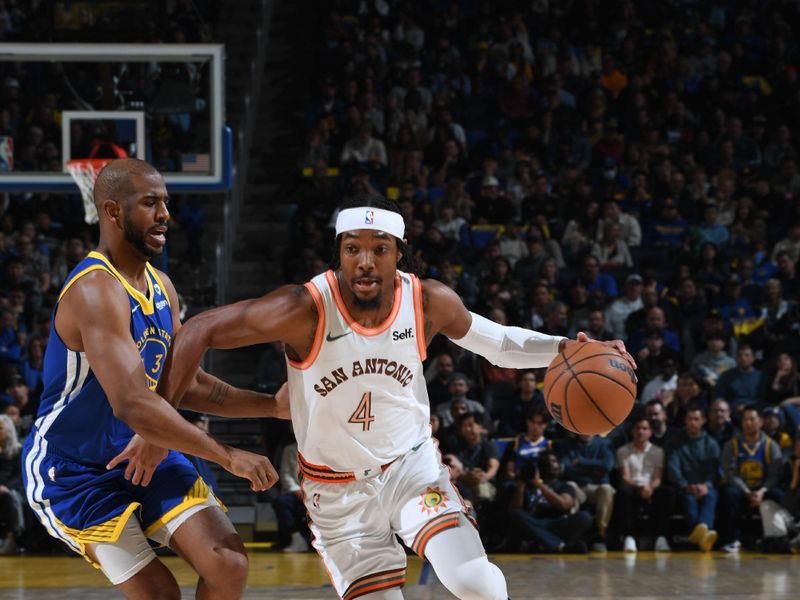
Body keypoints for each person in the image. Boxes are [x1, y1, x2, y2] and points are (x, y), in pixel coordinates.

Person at [161, 195, 635, 600]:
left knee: (474, 581)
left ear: (398, 254)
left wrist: (573, 347)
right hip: (335, 492)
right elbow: (198, 330)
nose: (365, 261)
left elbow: (500, 343)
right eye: (353, 250)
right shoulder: (301, 308)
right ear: (339, 255)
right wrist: (155, 425)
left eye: (379, 250)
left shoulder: (427, 301)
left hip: (410, 470)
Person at [20, 159, 286, 600]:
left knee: (228, 563)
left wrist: (272, 406)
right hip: (74, 468)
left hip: (144, 450)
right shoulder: (95, 290)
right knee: (160, 595)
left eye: (165, 203)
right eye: (150, 203)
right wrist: (227, 455)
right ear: (112, 211)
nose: (166, 215)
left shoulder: (162, 285)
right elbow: (133, 404)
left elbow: (188, 385)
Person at [718, 406, 784, 553]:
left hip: (762, 489)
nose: (748, 423)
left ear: (760, 422)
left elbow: (774, 475)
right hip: (741, 489)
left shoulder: (770, 445)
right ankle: (732, 539)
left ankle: (774, 538)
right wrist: (746, 491)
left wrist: (761, 491)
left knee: (777, 494)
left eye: (752, 419)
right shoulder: (732, 445)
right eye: (745, 419)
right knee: (729, 493)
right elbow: (730, 474)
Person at [614, 417, 674, 553]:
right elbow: (625, 477)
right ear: (632, 431)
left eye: (644, 428)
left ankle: (661, 538)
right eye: (637, 428)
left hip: (651, 486)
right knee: (623, 492)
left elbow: (658, 477)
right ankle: (629, 537)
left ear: (650, 432)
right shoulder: (622, 451)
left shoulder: (658, 451)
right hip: (633, 486)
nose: (641, 432)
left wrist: (650, 488)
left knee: (668, 493)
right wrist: (639, 488)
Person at [667, 405, 720, 552]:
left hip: (706, 487)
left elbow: (714, 471)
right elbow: (673, 468)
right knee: (689, 500)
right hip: (685, 488)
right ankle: (705, 536)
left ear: (703, 420)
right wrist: (685, 485)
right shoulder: (676, 443)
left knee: (711, 496)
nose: (692, 422)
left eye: (696, 419)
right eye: (690, 419)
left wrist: (706, 485)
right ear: (685, 420)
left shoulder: (711, 443)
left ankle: (700, 534)